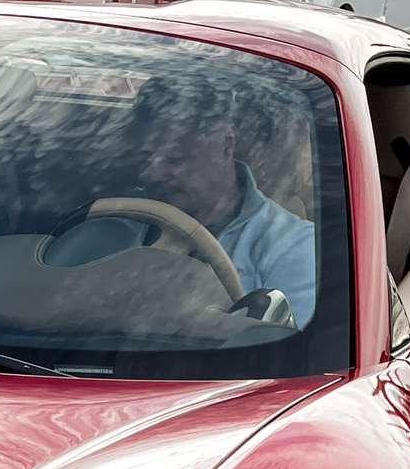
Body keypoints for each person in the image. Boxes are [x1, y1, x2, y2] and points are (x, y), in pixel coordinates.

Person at [128, 82, 318, 320]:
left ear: (227, 143)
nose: (151, 175)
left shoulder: (290, 246)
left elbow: (289, 350)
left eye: (175, 158)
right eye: (145, 158)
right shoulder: (114, 222)